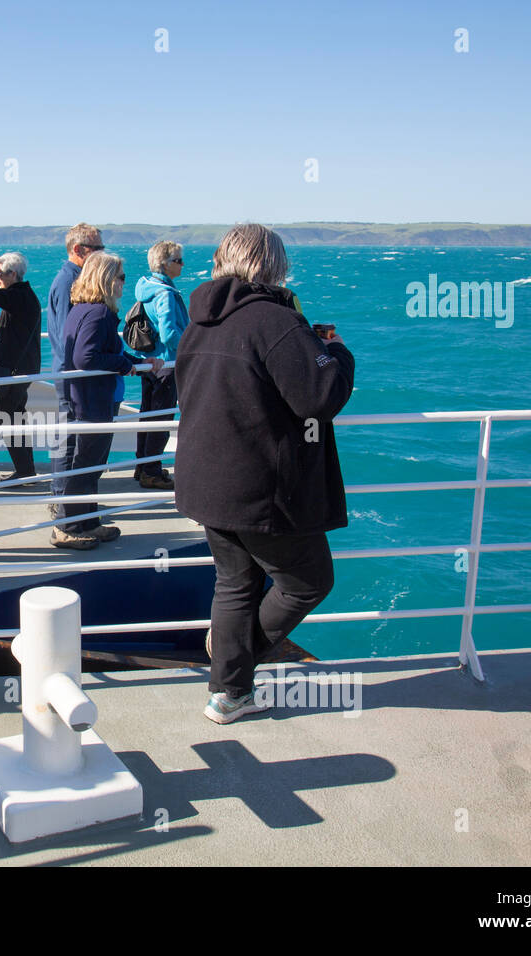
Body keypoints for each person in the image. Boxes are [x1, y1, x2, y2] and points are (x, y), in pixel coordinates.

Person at [175, 224, 354, 724]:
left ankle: (229, 692)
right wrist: (336, 352)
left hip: (205, 479)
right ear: (271, 265)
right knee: (307, 582)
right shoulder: (275, 321)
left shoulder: (201, 320)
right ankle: (232, 668)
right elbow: (320, 396)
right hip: (258, 487)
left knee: (234, 586)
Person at [56, 252, 161, 550]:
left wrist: (135, 360)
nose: (124, 283)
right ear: (105, 279)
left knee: (91, 463)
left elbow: (100, 350)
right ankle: (68, 527)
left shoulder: (83, 309)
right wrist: (121, 363)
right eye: (121, 277)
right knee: (87, 464)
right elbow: (85, 357)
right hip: (93, 400)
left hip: (86, 397)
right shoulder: (99, 313)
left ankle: (88, 521)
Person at [47, 223, 105, 518]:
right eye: (98, 249)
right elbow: (67, 337)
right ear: (79, 250)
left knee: (71, 437)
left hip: (71, 373)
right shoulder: (67, 281)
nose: (102, 254)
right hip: (71, 376)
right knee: (68, 439)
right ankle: (62, 499)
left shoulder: (73, 279)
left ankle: (69, 499)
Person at [129, 240, 189, 490]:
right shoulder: (164, 292)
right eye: (178, 260)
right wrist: (190, 343)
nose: (182, 264)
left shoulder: (146, 287)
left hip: (149, 362)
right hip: (167, 362)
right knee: (160, 419)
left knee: (147, 417)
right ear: (165, 264)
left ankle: (143, 466)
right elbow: (168, 333)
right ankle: (151, 471)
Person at [0, 252, 43, 483]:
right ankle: (26, 471)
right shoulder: (22, 295)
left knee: (4, 419)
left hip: (17, 371)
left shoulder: (19, 296)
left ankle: (25, 472)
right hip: (22, 368)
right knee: (16, 417)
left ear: (12, 274)